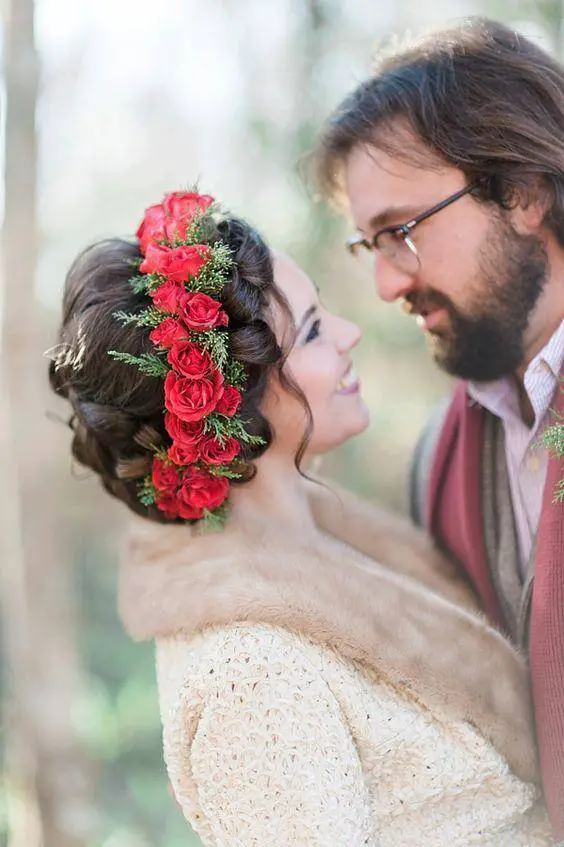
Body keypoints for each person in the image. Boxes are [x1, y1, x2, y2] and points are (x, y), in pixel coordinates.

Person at [49, 190, 551, 845]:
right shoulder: (250, 674)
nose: (351, 332)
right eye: (313, 330)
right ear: (231, 403)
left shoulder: (343, 542)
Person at [313, 15, 564, 841]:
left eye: (403, 233)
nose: (387, 283)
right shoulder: (438, 463)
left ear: (523, 190)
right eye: (369, 245)